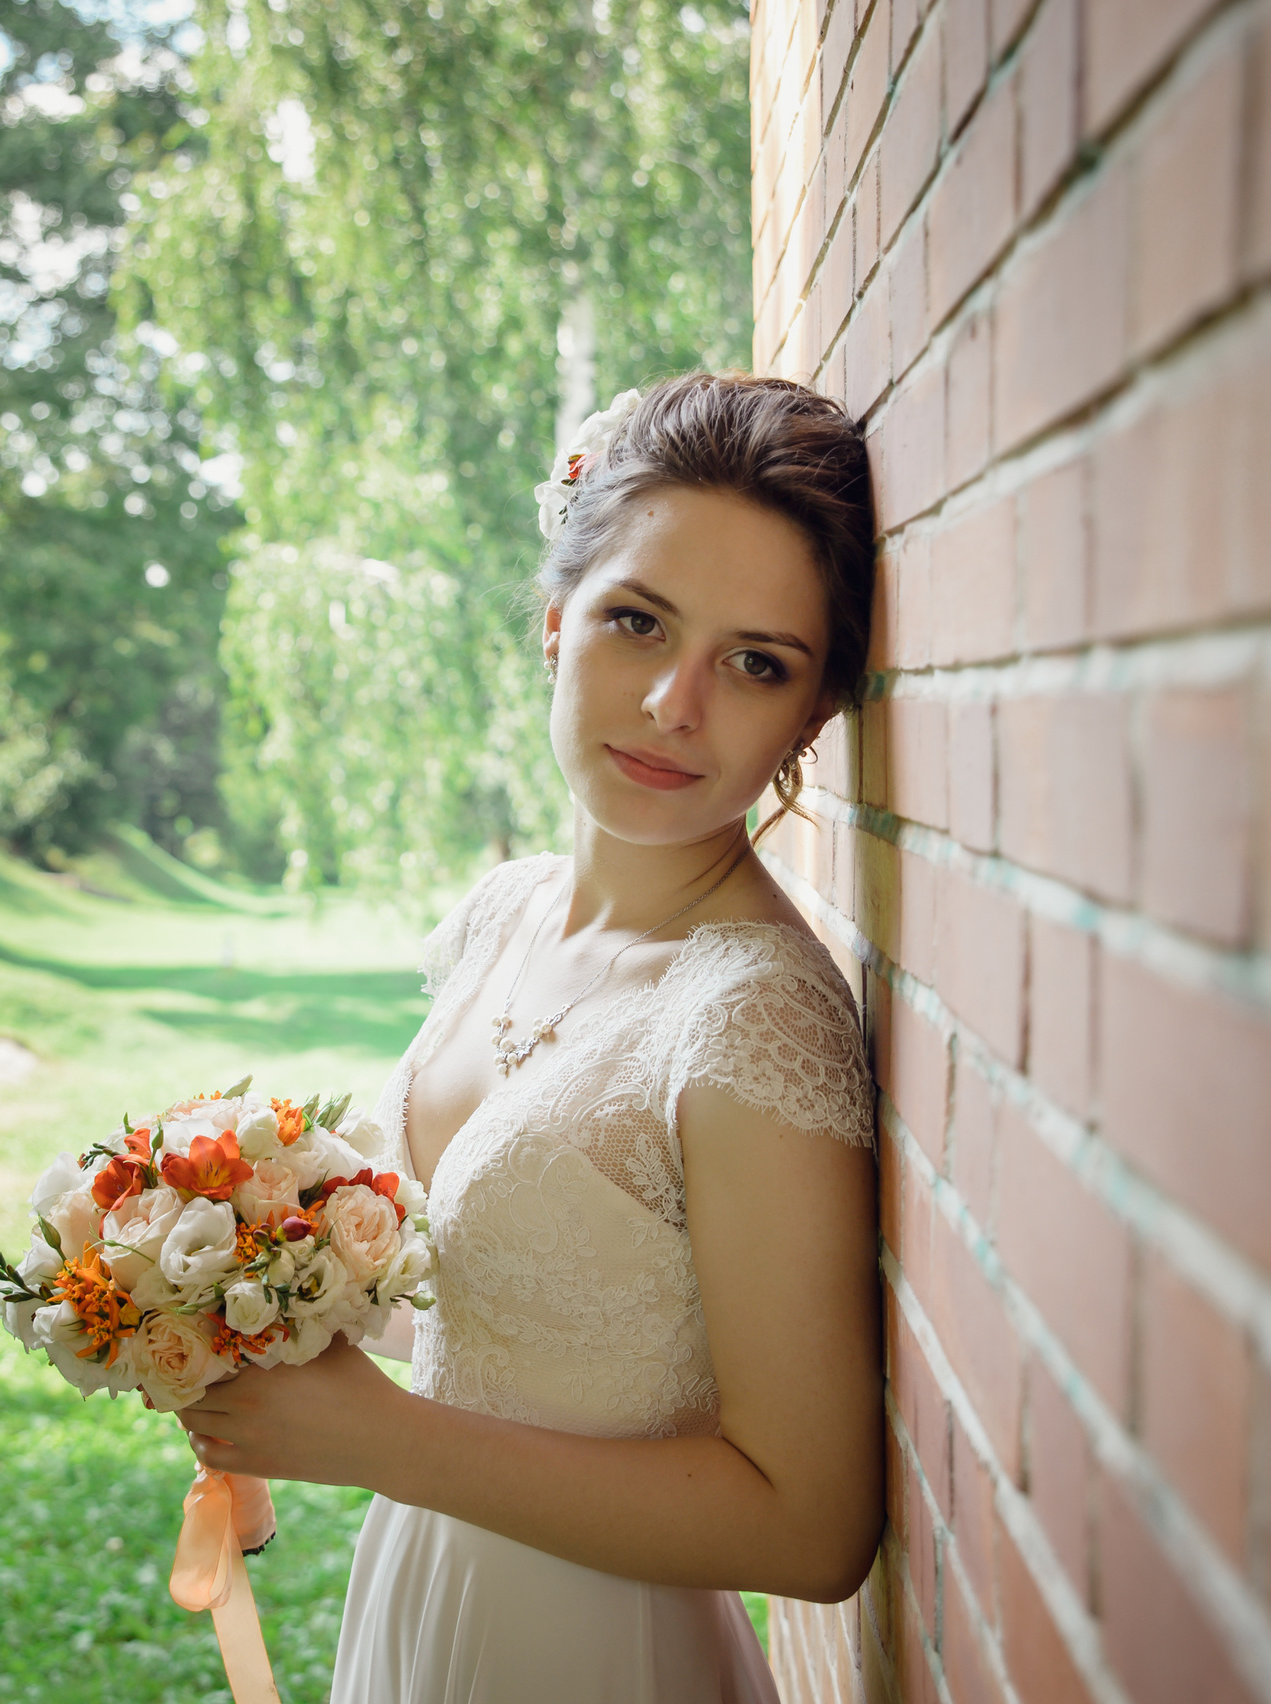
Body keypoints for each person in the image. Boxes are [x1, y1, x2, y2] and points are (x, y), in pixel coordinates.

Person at [175, 374, 885, 1702]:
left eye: (756, 663)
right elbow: (488, 1295)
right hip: (426, 1588)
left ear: (813, 717)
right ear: (557, 625)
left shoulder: (752, 1020)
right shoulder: (500, 916)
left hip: (595, 1650)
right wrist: (235, 1296)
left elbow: (815, 1526)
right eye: (638, 622)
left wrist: (389, 1442)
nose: (677, 702)